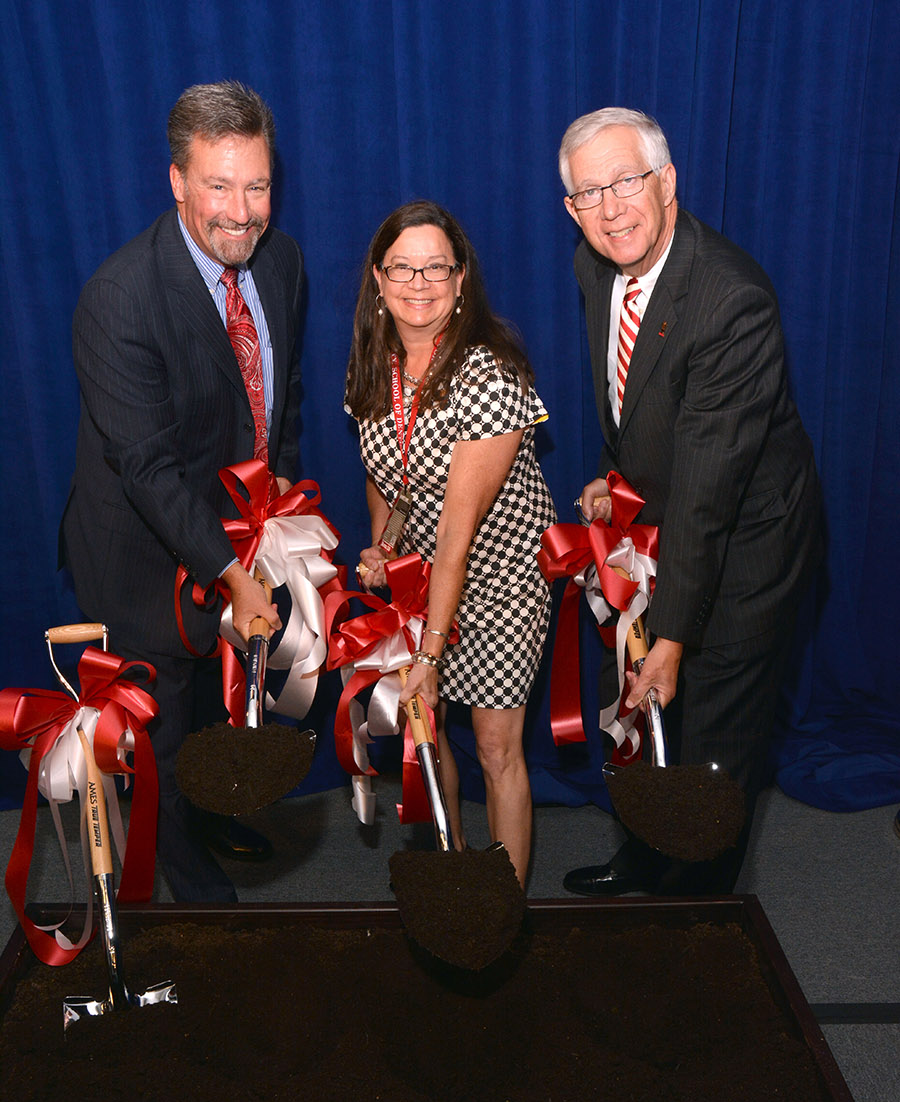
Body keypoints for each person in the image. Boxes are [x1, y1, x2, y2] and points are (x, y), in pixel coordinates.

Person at [558, 108, 821, 897]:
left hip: (747, 547)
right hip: (664, 527)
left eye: (627, 181)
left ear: (668, 181)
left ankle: (695, 916)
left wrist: (671, 637)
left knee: (711, 745)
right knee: (641, 715)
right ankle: (641, 856)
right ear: (570, 208)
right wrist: (616, 474)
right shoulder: (592, 264)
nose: (611, 209)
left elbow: (710, 491)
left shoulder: (731, 300)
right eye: (588, 193)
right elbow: (630, 398)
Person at [60, 81, 304, 902]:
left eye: (258, 184)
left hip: (234, 534)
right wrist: (232, 576)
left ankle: (209, 815)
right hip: (140, 557)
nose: (242, 212)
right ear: (177, 182)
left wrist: (281, 523)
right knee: (160, 731)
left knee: (213, 703)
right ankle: (197, 890)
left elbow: (278, 401)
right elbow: (149, 471)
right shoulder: (120, 298)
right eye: (218, 186)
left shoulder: (282, 261)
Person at [345, 201, 556, 886]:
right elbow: (388, 473)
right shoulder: (373, 366)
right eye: (403, 266)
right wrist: (385, 543)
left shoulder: (489, 376)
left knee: (497, 747)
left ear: (461, 280)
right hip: (425, 576)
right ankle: (458, 875)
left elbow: (459, 535)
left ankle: (507, 905)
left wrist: (430, 649)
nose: (419, 280)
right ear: (378, 279)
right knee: (427, 736)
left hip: (498, 579)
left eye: (436, 265)